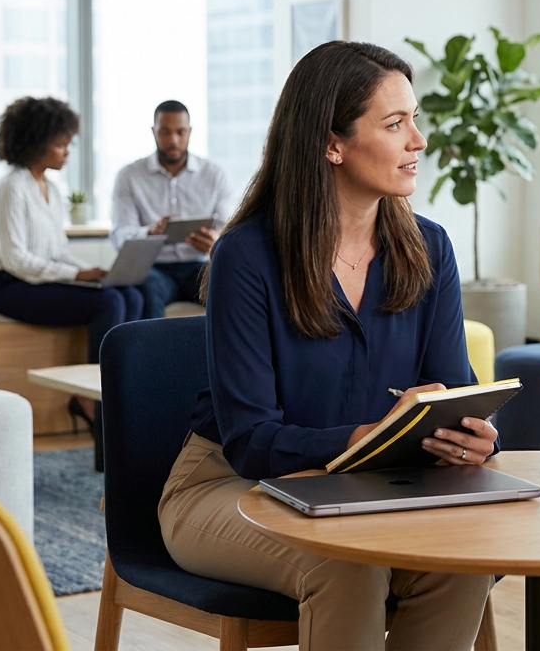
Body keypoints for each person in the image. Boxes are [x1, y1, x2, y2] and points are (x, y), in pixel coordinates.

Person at [158, 41, 495, 650]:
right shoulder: (247, 255)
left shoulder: (429, 248)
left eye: (415, 120)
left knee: (458, 560)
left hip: (363, 489)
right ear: (330, 143)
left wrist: (468, 434)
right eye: (396, 124)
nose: (418, 140)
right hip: (227, 486)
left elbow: (454, 389)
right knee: (347, 563)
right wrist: (360, 438)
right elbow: (250, 441)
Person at [0, 96, 144, 429]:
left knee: (131, 295)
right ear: (35, 143)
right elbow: (15, 260)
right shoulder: (11, 188)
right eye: (60, 144)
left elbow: (57, 252)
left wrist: (89, 273)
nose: (67, 151)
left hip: (34, 280)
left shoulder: (50, 189)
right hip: (4, 285)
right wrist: (75, 273)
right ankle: (89, 397)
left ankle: (124, 387)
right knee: (108, 302)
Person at [110, 100, 232, 319]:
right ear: (153, 132)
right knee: (146, 289)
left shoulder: (214, 175)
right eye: (165, 132)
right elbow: (120, 236)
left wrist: (215, 244)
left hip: (199, 265)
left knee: (229, 285)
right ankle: (153, 354)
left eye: (180, 132)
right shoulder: (129, 176)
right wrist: (149, 233)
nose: (173, 140)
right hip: (154, 268)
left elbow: (228, 232)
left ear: (190, 132)